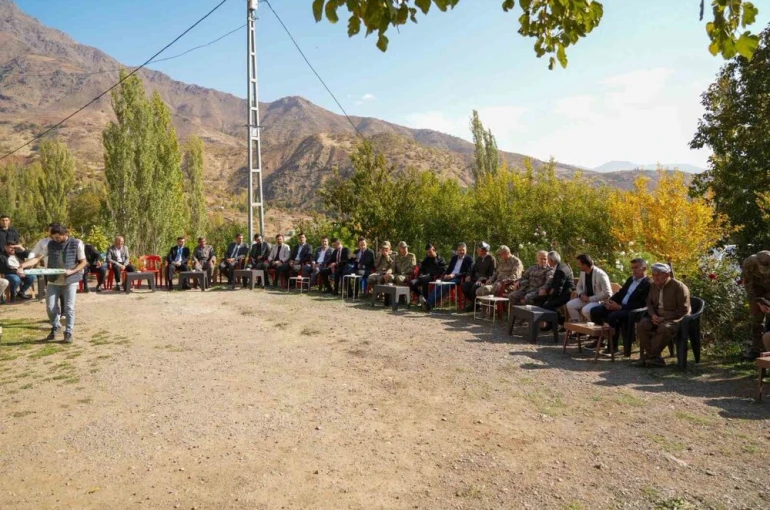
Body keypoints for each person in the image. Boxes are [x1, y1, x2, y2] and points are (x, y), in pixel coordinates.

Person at [20, 224, 88, 343]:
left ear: (65, 234)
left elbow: (83, 262)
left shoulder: (77, 243)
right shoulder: (50, 244)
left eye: (58, 237)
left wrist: (72, 271)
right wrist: (22, 266)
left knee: (69, 307)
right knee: (50, 307)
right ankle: (56, 326)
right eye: (54, 237)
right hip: (53, 280)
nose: (55, 239)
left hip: (70, 280)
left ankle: (68, 332)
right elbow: (37, 258)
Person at [588, 257, 651, 354]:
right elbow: (620, 293)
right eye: (632, 268)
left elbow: (641, 303)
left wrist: (620, 307)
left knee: (613, 316)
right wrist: (609, 301)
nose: (634, 270)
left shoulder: (648, 283)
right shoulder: (631, 279)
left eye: (636, 268)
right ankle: (601, 339)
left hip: (632, 310)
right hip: (620, 306)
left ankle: (613, 347)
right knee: (595, 311)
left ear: (644, 269)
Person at [635, 263, 691, 367]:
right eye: (654, 274)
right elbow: (649, 303)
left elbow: (684, 309)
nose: (655, 277)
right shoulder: (653, 286)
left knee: (664, 328)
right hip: (656, 316)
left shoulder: (678, 286)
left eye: (659, 274)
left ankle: (650, 357)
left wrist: (664, 318)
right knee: (642, 325)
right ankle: (654, 357)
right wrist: (652, 315)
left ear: (667, 274)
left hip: (674, 318)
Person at [424, 242, 472, 312]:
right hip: (449, 276)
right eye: (459, 250)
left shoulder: (469, 259)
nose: (461, 252)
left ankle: (429, 304)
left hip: (458, 278)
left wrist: (455, 275)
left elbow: (468, 272)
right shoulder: (454, 258)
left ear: (466, 250)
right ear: (457, 251)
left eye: (463, 250)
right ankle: (428, 303)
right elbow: (448, 269)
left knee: (445, 286)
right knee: (438, 285)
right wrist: (445, 275)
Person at [532, 251, 575, 329]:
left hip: (566, 294)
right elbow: (555, 284)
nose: (547, 261)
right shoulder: (559, 266)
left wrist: (549, 294)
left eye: (547, 259)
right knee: (538, 299)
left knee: (547, 305)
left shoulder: (560, 270)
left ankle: (563, 322)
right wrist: (547, 291)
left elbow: (558, 289)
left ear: (552, 261)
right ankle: (550, 323)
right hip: (559, 292)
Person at [565, 254, 612, 322]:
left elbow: (607, 293)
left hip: (599, 301)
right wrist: (581, 294)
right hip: (586, 299)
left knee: (586, 310)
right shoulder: (583, 273)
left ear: (585, 265)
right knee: (570, 305)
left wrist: (590, 299)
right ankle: (579, 328)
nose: (578, 266)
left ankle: (595, 327)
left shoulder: (601, 275)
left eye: (579, 264)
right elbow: (579, 286)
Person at [743, 251, 770, 360]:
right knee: (756, 320)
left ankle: (767, 351)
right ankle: (755, 350)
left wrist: (768, 302)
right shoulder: (749, 264)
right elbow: (749, 286)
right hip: (757, 292)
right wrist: (758, 301)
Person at [462, 242, 497, 312]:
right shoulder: (479, 259)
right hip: (475, 279)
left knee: (474, 287)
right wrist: (468, 276)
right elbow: (472, 269)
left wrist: (483, 278)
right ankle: (476, 303)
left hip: (484, 281)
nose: (477, 251)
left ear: (484, 250)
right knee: (464, 285)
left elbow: (493, 273)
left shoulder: (491, 259)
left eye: (479, 249)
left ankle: (475, 305)